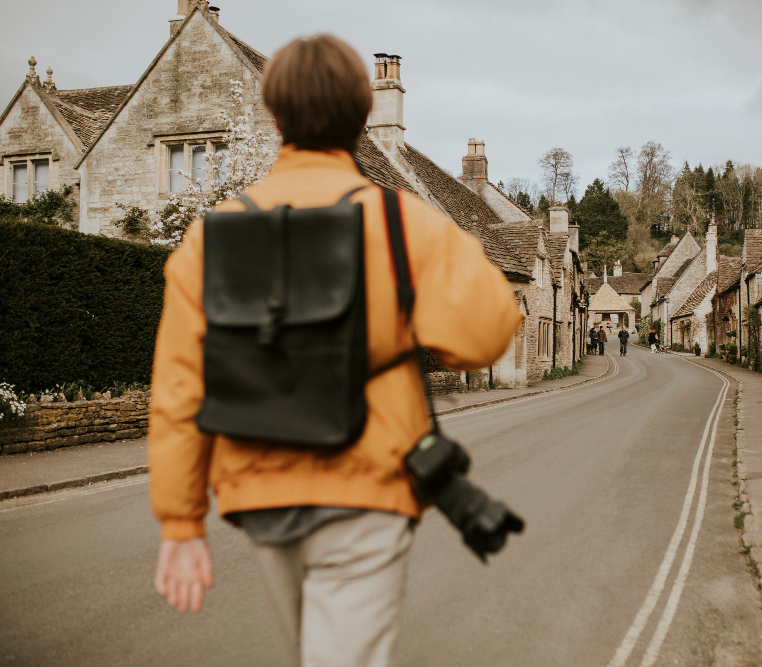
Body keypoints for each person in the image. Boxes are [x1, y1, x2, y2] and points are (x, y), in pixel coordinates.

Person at [147, 34, 521, 667]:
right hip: (367, 488)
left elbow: (180, 390)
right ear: (363, 116)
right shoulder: (405, 225)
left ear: (272, 117)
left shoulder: (209, 240)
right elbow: (487, 332)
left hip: (261, 495)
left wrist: (181, 523)